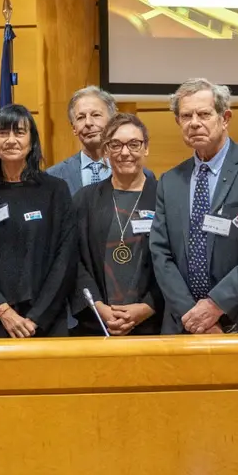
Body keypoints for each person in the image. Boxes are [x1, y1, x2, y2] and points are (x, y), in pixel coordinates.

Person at [149, 79, 238, 334]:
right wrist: (193, 316)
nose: (194, 123)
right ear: (178, 122)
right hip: (186, 324)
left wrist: (215, 305)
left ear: (225, 118)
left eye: (204, 114)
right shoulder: (170, 181)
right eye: (186, 116)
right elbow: (161, 254)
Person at [0, 105, 78, 338]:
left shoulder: (55, 190)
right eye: (3, 133)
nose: (11, 140)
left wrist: (37, 317)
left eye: (19, 132)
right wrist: (3, 311)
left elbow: (65, 259)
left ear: (32, 141)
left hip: (47, 322)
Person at [72, 113, 161, 336]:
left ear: (146, 148)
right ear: (105, 150)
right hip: (97, 323)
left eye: (134, 144)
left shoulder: (164, 197)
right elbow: (74, 260)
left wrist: (147, 307)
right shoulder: (85, 199)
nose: (125, 152)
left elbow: (176, 261)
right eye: (116, 145)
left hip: (153, 324)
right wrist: (99, 308)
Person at [46, 86, 118, 195]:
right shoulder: (53, 176)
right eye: (81, 117)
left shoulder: (136, 172)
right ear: (74, 128)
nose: (88, 123)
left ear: (112, 122)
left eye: (96, 115)